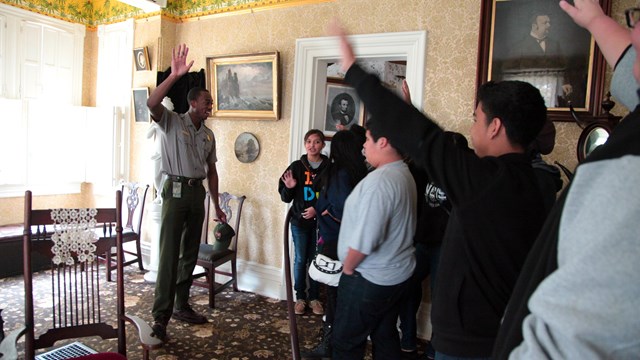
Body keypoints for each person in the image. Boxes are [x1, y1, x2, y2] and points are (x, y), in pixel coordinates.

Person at [330, 21, 553, 359]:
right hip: (502, 332)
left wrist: (352, 69)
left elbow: (422, 136)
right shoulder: (539, 182)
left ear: (495, 127)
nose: (472, 127)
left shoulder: (486, 182)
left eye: (476, 119)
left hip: (468, 342)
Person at [493, 0, 640, 358]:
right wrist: (595, 20)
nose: (633, 32)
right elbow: (628, 71)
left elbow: (572, 342)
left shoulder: (629, 173)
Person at [147, 44, 227, 342]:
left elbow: (213, 171)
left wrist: (217, 205)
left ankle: (181, 305)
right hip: (175, 192)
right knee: (168, 256)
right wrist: (174, 76)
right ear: (193, 102)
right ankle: (160, 317)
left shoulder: (208, 134)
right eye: (207, 101)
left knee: (189, 255)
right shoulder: (171, 121)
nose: (211, 105)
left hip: (197, 196)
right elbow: (151, 102)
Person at [332, 118, 417, 359]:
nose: (363, 146)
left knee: (346, 342)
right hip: (396, 273)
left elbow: (366, 240)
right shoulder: (402, 171)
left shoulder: (380, 182)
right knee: (384, 333)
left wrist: (348, 269)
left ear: (383, 142)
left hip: (369, 276)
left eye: (368, 140)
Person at [302, 129, 368, 358]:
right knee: (340, 296)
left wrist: (325, 212)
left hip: (336, 241)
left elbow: (342, 209)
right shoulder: (357, 172)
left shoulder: (340, 173)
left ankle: (330, 346)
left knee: (334, 296)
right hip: (347, 242)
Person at [279, 129, 329, 316]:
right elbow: (285, 197)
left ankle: (315, 297)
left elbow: (332, 194)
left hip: (321, 224)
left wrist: (317, 208)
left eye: (316, 142)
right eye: (309, 141)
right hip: (300, 224)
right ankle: (300, 297)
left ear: (323, 145)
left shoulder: (328, 167)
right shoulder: (296, 166)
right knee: (300, 260)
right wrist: (290, 188)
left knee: (315, 260)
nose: (312, 145)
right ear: (304, 144)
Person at [502, 9, 577, 107]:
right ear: (534, 26)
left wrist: (565, 82)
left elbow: (562, 66)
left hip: (551, 93)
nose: (548, 25)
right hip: (527, 95)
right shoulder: (519, 47)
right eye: (545, 23)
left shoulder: (554, 44)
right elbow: (508, 72)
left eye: (549, 22)